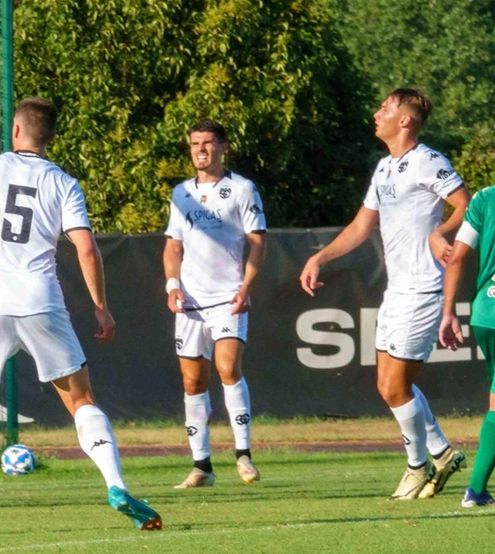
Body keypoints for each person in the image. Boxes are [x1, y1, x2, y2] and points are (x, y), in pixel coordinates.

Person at [0, 97, 162, 535]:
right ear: (49, 137)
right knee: (81, 401)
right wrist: (101, 307)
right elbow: (85, 247)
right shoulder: (64, 182)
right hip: (41, 300)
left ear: (15, 131)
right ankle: (115, 485)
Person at [301, 88, 469, 500]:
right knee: (388, 385)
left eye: (386, 108)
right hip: (397, 291)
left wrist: (440, 232)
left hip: (423, 290)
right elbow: (361, 228)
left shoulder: (428, 160)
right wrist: (319, 257)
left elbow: (465, 204)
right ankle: (442, 453)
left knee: (395, 387)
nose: (377, 114)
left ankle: (418, 466)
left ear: (406, 120)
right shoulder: (384, 168)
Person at [163, 120, 266, 488]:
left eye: (208, 143)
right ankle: (201, 466)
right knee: (192, 381)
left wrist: (246, 285)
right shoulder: (182, 193)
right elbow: (173, 245)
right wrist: (172, 286)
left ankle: (243, 455)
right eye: (194, 144)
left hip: (227, 297)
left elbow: (257, 240)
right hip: (190, 300)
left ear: (224, 147)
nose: (201, 150)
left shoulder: (242, 189)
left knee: (226, 367)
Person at [439, 184, 495, 507]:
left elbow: (457, 256)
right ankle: (474, 490)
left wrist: (448, 312)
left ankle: (477, 490)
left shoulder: (485, 198)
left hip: (486, 314)